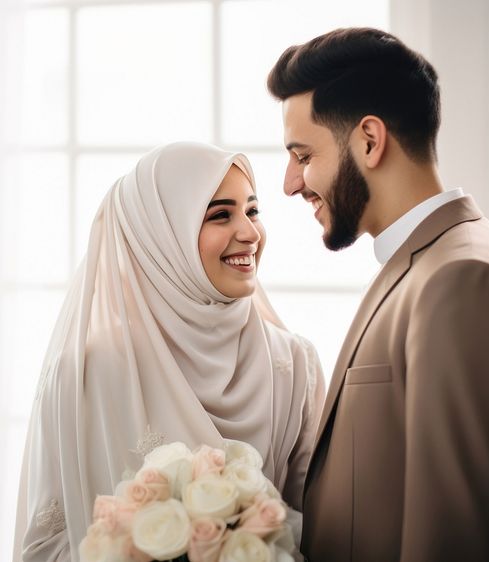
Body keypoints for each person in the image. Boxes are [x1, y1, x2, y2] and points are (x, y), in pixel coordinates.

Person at [268, 27, 489, 561]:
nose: (290, 182)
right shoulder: (434, 263)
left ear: (369, 140)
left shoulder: (464, 281)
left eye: (302, 155)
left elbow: (460, 544)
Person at [13, 142, 326, 560]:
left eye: (252, 211)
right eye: (220, 215)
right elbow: (43, 546)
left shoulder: (295, 366)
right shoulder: (84, 374)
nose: (250, 233)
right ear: (160, 237)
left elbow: (324, 533)